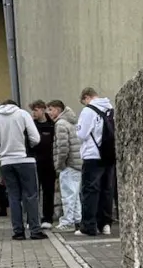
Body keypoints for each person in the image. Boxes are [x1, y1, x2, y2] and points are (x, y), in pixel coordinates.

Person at [0, 101, 44, 240]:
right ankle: (35, 230)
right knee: (31, 195)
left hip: (6, 162)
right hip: (26, 160)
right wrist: (28, 145)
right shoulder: (23, 115)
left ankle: (18, 232)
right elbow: (36, 138)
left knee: (13, 197)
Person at [76, 88, 116, 237]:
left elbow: (82, 134)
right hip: (109, 154)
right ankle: (105, 224)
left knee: (90, 191)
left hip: (93, 155)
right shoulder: (110, 108)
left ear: (87, 97)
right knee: (107, 190)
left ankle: (88, 226)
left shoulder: (88, 111)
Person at [50, 100, 83, 233]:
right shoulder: (71, 122)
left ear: (58, 110)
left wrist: (59, 164)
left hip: (68, 164)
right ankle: (77, 220)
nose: (49, 113)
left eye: (51, 109)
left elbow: (63, 147)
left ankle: (68, 221)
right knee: (74, 194)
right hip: (76, 162)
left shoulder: (60, 124)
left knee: (68, 194)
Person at [29, 100, 57, 228]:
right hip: (34, 162)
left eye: (35, 110)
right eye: (32, 110)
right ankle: (33, 219)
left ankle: (48, 218)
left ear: (42, 109)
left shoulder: (52, 125)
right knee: (33, 192)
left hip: (48, 163)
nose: (33, 113)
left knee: (48, 191)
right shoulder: (31, 125)